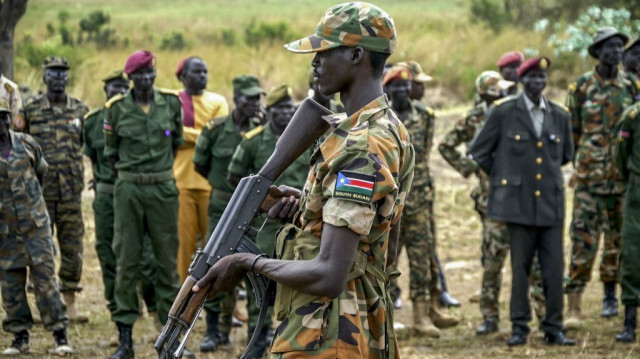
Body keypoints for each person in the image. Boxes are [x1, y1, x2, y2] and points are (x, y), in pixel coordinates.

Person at [193, 2, 414, 357]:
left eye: (324, 52)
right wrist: (309, 208)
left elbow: (329, 274)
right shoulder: (386, 128)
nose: (315, 62)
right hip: (348, 320)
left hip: (330, 331)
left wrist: (244, 263)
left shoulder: (362, 145)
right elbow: (376, 234)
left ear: (357, 55)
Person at [468, 57, 575, 346]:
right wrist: (504, 175)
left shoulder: (560, 114)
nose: (537, 83)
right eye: (531, 78)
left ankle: (554, 328)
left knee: (554, 270)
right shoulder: (503, 112)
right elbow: (478, 151)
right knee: (520, 268)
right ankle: (519, 327)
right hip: (517, 204)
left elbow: (564, 155)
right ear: (521, 81)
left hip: (551, 204)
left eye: (542, 78)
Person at [440, 70, 547, 334]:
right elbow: (447, 145)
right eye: (501, 89)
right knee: (492, 263)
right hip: (493, 204)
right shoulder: (475, 117)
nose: (507, 92)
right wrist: (470, 167)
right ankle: (490, 317)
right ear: (488, 92)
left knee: (531, 261)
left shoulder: (517, 112)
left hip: (523, 200)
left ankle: (546, 317)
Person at [104, 50, 183, 359]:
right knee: (126, 259)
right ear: (130, 79)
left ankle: (170, 337)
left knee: (167, 261)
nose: (147, 79)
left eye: (151, 73)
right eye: (140, 75)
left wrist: (157, 175)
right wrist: (135, 178)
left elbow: (175, 143)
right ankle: (125, 338)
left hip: (163, 189)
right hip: (129, 190)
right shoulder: (116, 109)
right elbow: (111, 155)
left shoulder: (170, 103)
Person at [227, 84, 312, 358]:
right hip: (266, 227)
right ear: (269, 112)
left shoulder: (312, 139)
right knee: (260, 287)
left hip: (302, 225)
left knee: (300, 286)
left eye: (291, 108)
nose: (286, 113)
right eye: (281, 109)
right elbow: (236, 179)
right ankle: (257, 342)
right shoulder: (253, 140)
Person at [564, 27, 640, 328]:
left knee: (619, 242)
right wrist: (582, 163)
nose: (617, 52)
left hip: (621, 180)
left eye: (620, 47)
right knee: (583, 240)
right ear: (598, 51)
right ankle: (574, 307)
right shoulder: (581, 87)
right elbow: (573, 132)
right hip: (588, 179)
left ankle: (611, 297)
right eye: (610, 47)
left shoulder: (631, 84)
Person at [383, 65, 458, 338]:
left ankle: (422, 316)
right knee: (386, 263)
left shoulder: (426, 116)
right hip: (388, 205)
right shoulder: (381, 118)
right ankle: (385, 318)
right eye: (397, 86)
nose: (403, 90)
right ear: (387, 89)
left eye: (406, 86)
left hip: (419, 200)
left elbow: (423, 157)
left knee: (421, 259)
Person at [192, 74, 264, 352]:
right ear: (236, 99)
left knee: (255, 265)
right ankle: (214, 329)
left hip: (256, 210)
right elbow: (200, 164)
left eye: (257, 98)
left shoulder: (264, 130)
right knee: (213, 264)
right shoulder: (215, 129)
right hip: (222, 205)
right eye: (249, 98)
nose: (254, 104)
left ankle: (256, 333)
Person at [83, 69, 158, 327]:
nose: (117, 94)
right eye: (113, 89)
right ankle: (119, 308)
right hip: (106, 194)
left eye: (122, 89)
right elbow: (94, 157)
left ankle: (154, 305)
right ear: (105, 92)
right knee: (107, 251)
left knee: (146, 252)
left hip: (135, 192)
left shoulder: (139, 115)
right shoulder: (92, 120)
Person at [18, 56, 89, 323]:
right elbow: (17, 145)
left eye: (62, 73)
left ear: (67, 78)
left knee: (72, 247)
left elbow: (91, 146)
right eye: (52, 73)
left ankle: (69, 302)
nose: (58, 78)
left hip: (70, 193)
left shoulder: (80, 110)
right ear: (44, 76)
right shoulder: (30, 110)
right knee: (40, 248)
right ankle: (43, 306)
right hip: (39, 193)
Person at [0, 98, 73, 356]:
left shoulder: (27, 143)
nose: (1, 122)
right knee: (11, 286)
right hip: (5, 233)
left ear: (9, 118)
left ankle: (60, 335)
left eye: (4, 117)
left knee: (46, 283)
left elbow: (40, 173)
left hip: (36, 228)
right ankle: (20, 337)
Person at [399, 59, 461, 309]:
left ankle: (437, 293)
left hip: (422, 192)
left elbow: (423, 154)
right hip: (396, 196)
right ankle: (396, 297)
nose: (422, 89)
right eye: (417, 84)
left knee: (426, 244)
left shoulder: (425, 116)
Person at [174, 56, 229, 281]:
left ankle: (212, 296)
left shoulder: (218, 101)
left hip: (210, 184)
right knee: (184, 246)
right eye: (197, 72)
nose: (202, 76)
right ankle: (183, 297)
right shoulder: (174, 100)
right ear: (183, 76)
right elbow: (170, 132)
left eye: (205, 71)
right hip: (181, 182)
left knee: (214, 245)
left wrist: (182, 133)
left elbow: (217, 136)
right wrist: (200, 134)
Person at [613, 101, 640, 342]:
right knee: (632, 254)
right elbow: (621, 156)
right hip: (638, 194)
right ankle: (630, 320)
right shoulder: (633, 115)